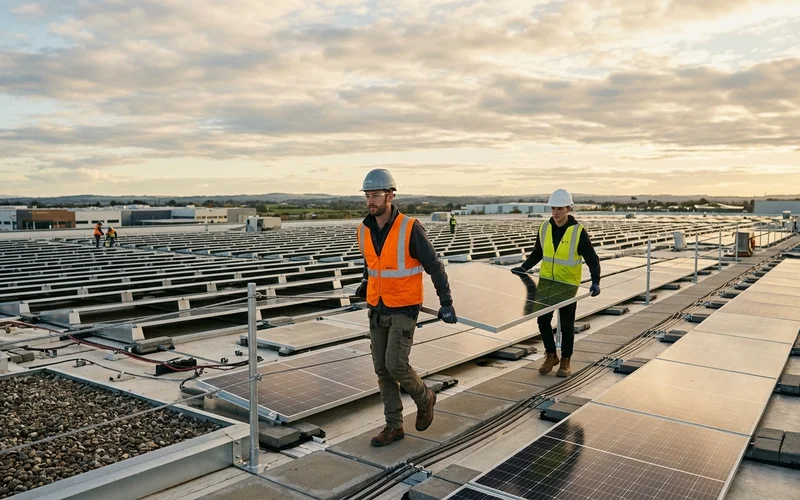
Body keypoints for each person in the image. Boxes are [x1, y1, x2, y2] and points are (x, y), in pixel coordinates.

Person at [355, 168, 457, 447]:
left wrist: (446, 302)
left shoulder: (410, 228)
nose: (371, 200)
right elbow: (371, 261)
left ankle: (425, 397)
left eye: (376, 195)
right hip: (377, 307)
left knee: (396, 365)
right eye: (367, 195)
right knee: (382, 370)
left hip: (404, 307)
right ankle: (394, 426)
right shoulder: (363, 230)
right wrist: (365, 281)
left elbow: (434, 265)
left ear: (390, 196)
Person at [510, 188, 601, 378]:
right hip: (546, 283)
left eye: (560, 208)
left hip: (568, 285)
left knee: (567, 325)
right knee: (542, 320)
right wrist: (524, 267)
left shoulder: (578, 232)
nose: (556, 212)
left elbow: (592, 258)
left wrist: (595, 281)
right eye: (553, 208)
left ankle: (566, 360)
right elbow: (538, 253)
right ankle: (551, 355)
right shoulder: (544, 228)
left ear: (569, 209)